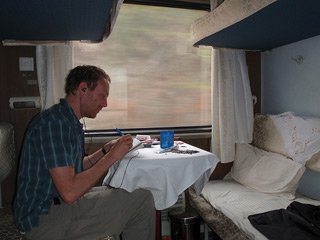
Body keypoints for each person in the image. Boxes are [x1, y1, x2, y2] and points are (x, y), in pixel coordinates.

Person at [13, 65, 155, 240]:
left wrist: (104, 152)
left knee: (130, 191)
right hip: (42, 219)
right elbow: (70, 192)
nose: (105, 103)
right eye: (102, 96)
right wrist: (111, 157)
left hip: (55, 205)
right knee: (141, 200)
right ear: (83, 89)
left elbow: (73, 169)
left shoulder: (66, 121)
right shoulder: (54, 124)